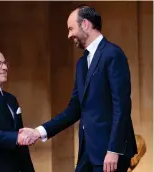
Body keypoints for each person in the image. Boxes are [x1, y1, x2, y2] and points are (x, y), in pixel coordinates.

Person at [19, 5, 137, 172]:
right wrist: (38, 132)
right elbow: (74, 109)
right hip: (87, 152)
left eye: (71, 28)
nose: (69, 35)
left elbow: (122, 106)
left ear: (85, 25)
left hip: (109, 153)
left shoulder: (112, 54)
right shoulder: (82, 64)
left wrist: (113, 150)